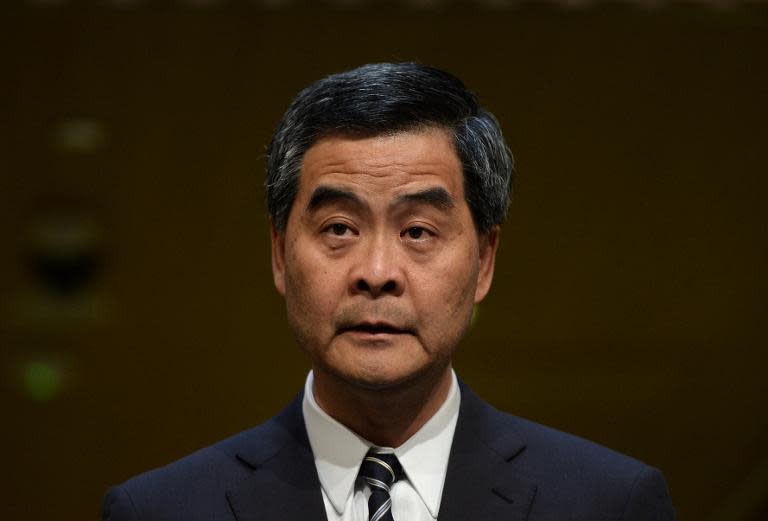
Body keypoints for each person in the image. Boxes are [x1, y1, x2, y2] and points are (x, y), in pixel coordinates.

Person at [102, 62, 675, 521]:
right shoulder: (161, 509)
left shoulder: (610, 503)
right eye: (339, 229)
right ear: (280, 254)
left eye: (418, 231)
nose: (376, 271)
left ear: (484, 262)